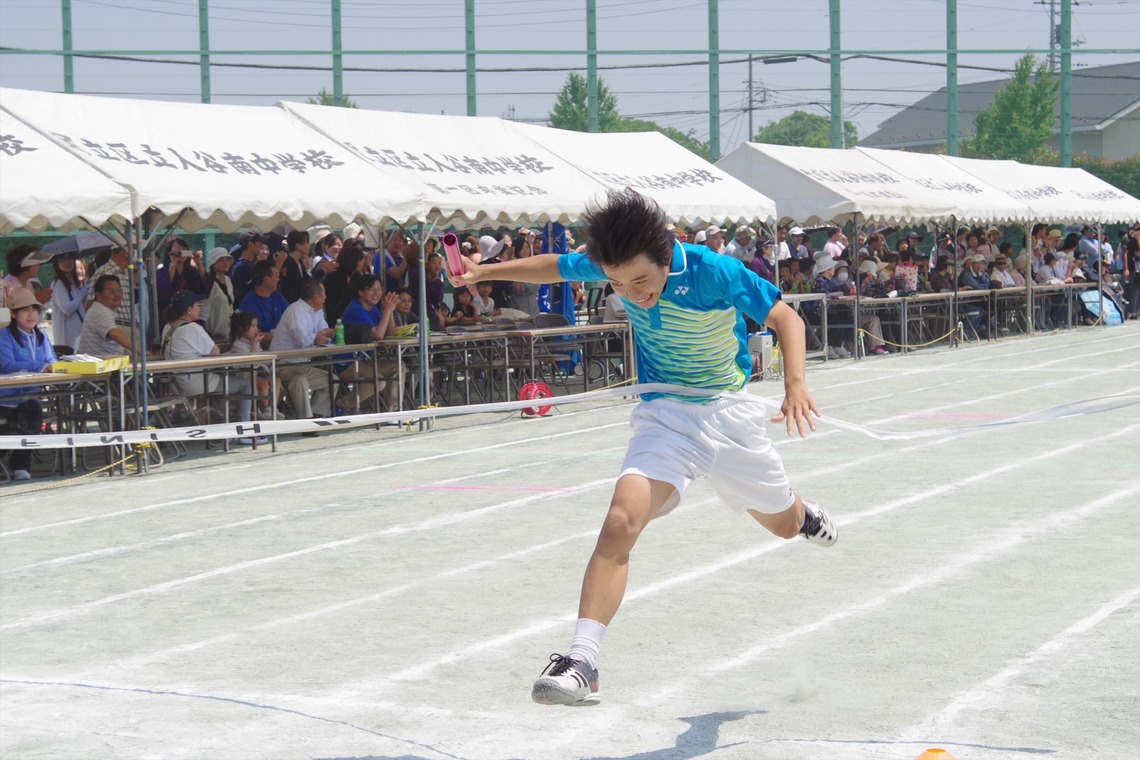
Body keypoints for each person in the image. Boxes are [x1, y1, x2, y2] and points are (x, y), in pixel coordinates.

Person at [451, 189, 835, 707]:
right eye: (616, 283)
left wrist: (795, 383)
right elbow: (555, 269)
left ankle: (806, 516)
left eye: (640, 281)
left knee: (782, 525)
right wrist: (483, 273)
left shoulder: (712, 271)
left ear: (665, 255)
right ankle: (582, 661)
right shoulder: (613, 264)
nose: (631, 292)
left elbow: (787, 319)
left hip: (728, 415)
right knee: (620, 520)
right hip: (664, 416)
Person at [160, 290, 262, 441]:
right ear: (189, 309)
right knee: (245, 385)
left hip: (178, 384)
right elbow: (215, 352)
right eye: (198, 304)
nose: (200, 307)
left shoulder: (167, 328)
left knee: (223, 386)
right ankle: (245, 431)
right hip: (197, 382)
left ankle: (221, 432)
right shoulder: (192, 328)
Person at [0, 289, 58, 481]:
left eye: (34, 309)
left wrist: (52, 366)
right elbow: (8, 365)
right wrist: (40, 366)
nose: (31, 314)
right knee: (9, 431)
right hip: (6, 399)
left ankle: (20, 466)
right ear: (13, 314)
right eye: (25, 310)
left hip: (31, 397)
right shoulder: (4, 336)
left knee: (33, 422)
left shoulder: (42, 336)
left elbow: (52, 360)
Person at [269, 280, 336, 424]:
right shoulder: (296, 310)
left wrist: (324, 335)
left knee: (332, 380)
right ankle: (306, 420)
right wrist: (319, 336)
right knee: (300, 380)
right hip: (283, 364)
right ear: (316, 296)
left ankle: (317, 414)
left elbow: (324, 334)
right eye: (323, 294)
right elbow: (302, 340)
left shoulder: (317, 311)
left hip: (301, 364)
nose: (326, 298)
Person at [340, 274, 403, 411]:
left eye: (379, 289)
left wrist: (390, 311)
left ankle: (394, 410)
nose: (377, 293)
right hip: (346, 361)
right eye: (372, 289)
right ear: (360, 292)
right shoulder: (356, 309)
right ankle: (342, 405)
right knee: (378, 381)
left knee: (398, 366)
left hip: (365, 359)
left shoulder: (372, 308)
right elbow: (379, 335)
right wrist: (387, 310)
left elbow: (390, 333)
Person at [228, 311, 278, 420]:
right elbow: (251, 361)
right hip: (246, 376)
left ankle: (273, 408)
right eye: (252, 326)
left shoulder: (254, 341)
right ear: (242, 328)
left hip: (258, 372)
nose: (256, 329)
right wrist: (255, 343)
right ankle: (266, 408)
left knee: (276, 381)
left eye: (257, 326)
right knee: (264, 383)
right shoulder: (238, 344)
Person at [76, 275, 136, 356]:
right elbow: (114, 334)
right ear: (98, 295)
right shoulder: (100, 312)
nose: (117, 294)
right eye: (111, 291)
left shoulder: (98, 309)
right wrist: (139, 350)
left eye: (119, 290)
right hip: (102, 365)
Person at [238, 261, 291, 345]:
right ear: (266, 279)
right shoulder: (249, 303)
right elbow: (255, 334)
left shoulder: (276, 295)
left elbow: (291, 315)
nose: (279, 279)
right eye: (277, 276)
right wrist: (284, 337)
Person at [49, 252, 89, 348]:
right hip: (67, 337)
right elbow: (67, 309)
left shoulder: (74, 284)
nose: (67, 262)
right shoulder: (58, 284)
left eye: (69, 258)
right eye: (62, 260)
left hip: (79, 333)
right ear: (56, 264)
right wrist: (83, 292)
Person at [202, 247, 236, 340]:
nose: (225, 263)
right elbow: (205, 307)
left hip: (228, 331)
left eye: (227, 259)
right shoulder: (210, 282)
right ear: (213, 263)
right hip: (213, 333)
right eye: (221, 260)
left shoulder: (228, 280)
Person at [278, 229, 313, 303]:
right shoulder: (289, 263)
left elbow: (307, 280)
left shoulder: (298, 261)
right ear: (298, 246)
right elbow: (302, 285)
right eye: (307, 242)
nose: (309, 245)